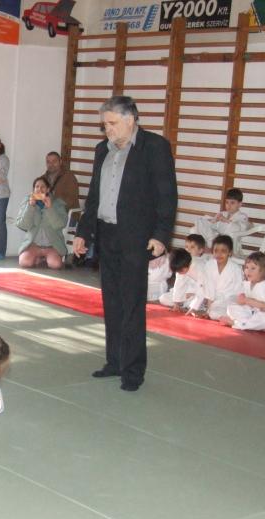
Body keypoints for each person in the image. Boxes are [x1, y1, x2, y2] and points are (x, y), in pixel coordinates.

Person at [73, 96, 177, 392]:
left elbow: (167, 195)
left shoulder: (154, 147)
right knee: (112, 301)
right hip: (107, 234)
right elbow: (94, 196)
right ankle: (115, 361)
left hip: (137, 237)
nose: (106, 129)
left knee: (132, 304)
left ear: (130, 120)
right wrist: (83, 232)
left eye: (112, 123)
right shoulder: (102, 150)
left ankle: (133, 370)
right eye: (104, 124)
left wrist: (161, 235)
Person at [15, 176, 69, 270]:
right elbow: (22, 225)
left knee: (56, 265)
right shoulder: (27, 201)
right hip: (34, 244)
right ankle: (39, 257)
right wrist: (30, 207)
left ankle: (45, 258)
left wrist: (50, 208)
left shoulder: (57, 203)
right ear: (33, 189)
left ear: (48, 189)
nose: (39, 189)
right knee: (24, 262)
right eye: (37, 186)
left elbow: (61, 224)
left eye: (43, 187)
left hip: (51, 246)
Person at [221, 251, 265, 331]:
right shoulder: (247, 283)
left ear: (264, 270)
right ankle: (257, 326)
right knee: (231, 308)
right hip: (251, 312)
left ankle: (237, 323)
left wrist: (249, 301)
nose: (248, 271)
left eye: (253, 268)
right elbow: (241, 300)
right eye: (247, 267)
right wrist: (241, 300)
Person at [194, 234, 244, 320]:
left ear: (230, 252)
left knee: (215, 313)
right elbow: (207, 286)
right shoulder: (209, 265)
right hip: (211, 299)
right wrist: (208, 305)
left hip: (228, 300)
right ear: (212, 252)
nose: (219, 254)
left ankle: (232, 316)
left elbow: (238, 290)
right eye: (216, 251)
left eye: (223, 251)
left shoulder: (236, 268)